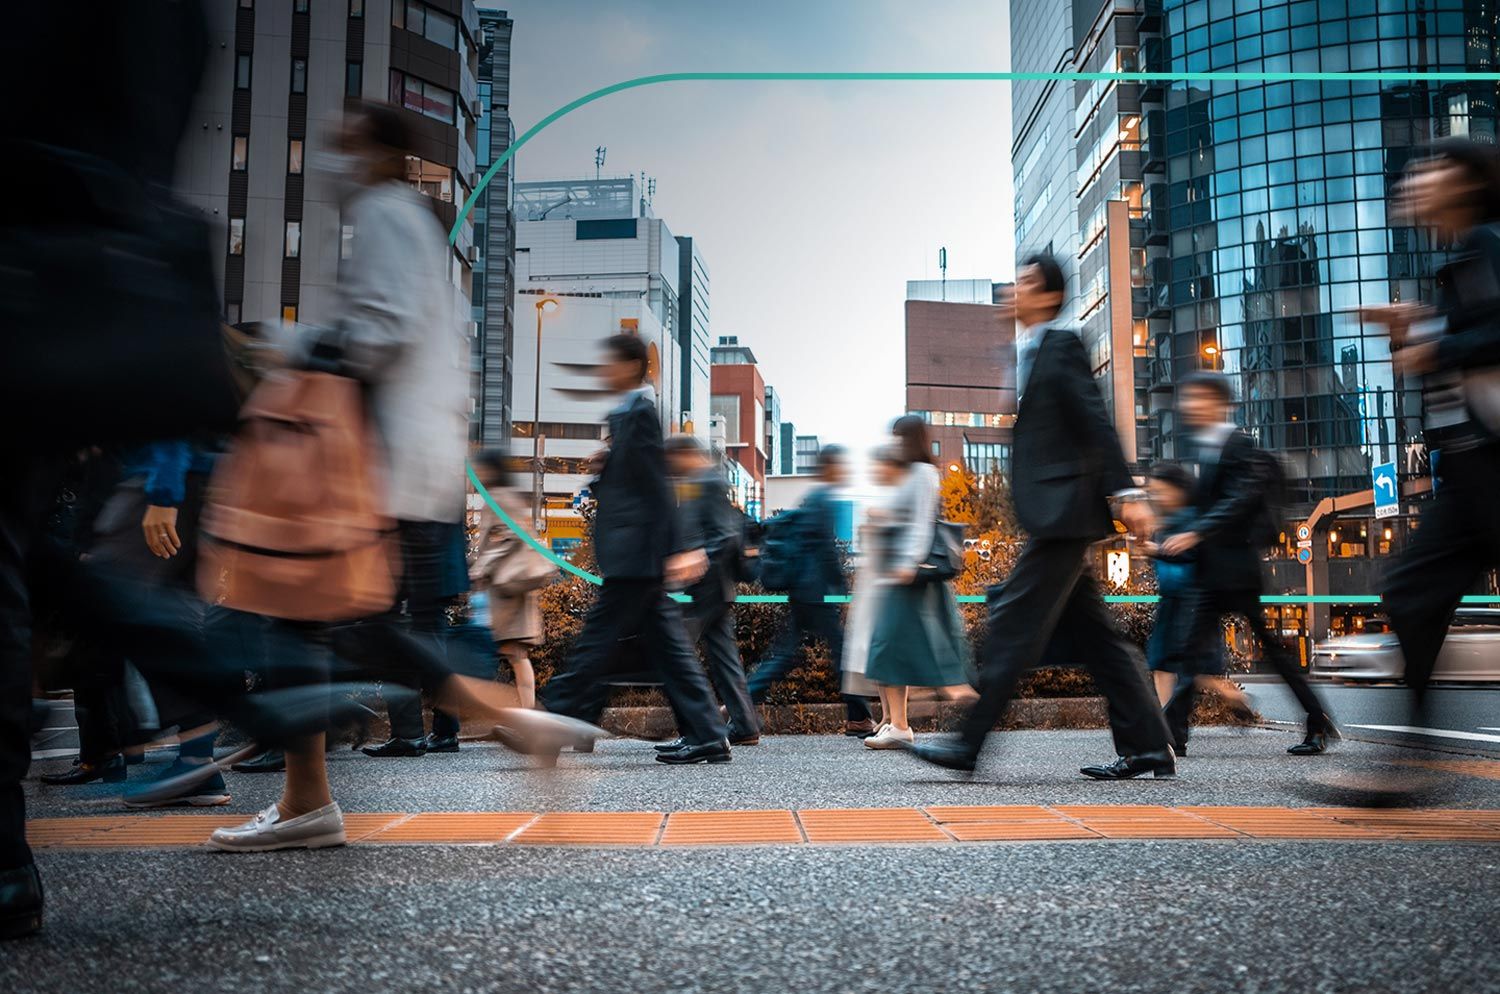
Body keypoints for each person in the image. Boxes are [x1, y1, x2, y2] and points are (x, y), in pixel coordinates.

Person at [206, 102, 593, 851]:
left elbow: (379, 332)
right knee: (343, 625)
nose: (334, 161)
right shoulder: (414, 226)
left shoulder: (386, 216)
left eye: (346, 145)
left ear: (380, 153)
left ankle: (313, 801)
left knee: (305, 617)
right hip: (405, 462)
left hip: (368, 465)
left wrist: (284, 349)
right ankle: (316, 796)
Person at [904, 253, 1175, 779]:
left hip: (1065, 516)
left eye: (1026, 282)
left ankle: (968, 745)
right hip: (1057, 516)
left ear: (1049, 296)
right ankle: (1148, 748)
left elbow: (1095, 420)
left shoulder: (1061, 345)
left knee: (1011, 629)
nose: (1015, 289)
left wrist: (1124, 490)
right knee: (1101, 643)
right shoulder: (1026, 353)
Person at [1361, 139, 1500, 799]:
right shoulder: (1461, 263)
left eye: (1428, 171)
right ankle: (1412, 765)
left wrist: (1433, 342)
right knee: (1410, 593)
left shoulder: (1489, 245)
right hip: (1466, 475)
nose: (1412, 183)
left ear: (1467, 180)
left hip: (1493, 465)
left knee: (1412, 593)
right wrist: (1417, 333)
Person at [538, 334, 732, 765]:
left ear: (629, 366)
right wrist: (607, 467)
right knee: (669, 651)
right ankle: (707, 734)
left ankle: (549, 722)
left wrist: (680, 547)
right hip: (636, 555)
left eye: (608, 363)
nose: (603, 372)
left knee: (595, 643)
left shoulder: (640, 413)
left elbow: (656, 485)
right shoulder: (628, 415)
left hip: (636, 555)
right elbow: (639, 479)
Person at [1159, 371, 1332, 756]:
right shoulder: (1208, 448)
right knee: (1189, 654)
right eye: (1188, 399)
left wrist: (1197, 532)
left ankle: (1317, 720)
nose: (1190, 405)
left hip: (1237, 571)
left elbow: (1239, 501)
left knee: (1271, 651)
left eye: (1198, 397)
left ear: (1220, 403)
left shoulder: (1240, 445)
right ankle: (1174, 734)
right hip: (1213, 572)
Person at [853, 424, 971, 750]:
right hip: (897, 573)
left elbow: (921, 522)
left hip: (906, 573)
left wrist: (911, 562)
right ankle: (895, 722)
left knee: (888, 645)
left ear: (908, 439)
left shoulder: (921, 473)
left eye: (897, 436)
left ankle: (902, 723)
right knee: (889, 646)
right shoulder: (914, 473)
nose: (893, 442)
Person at [746, 446, 876, 736]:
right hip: (815, 593)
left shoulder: (813, 498)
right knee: (841, 654)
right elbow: (826, 551)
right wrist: (841, 587)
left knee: (785, 655)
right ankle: (859, 719)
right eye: (841, 466)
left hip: (802, 590)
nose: (845, 471)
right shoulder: (824, 500)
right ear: (831, 467)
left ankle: (740, 702)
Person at [1142, 462, 1253, 756]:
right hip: (1169, 603)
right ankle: (1170, 734)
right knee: (1162, 664)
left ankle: (1228, 696)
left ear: (1179, 490)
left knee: (1191, 668)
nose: (1157, 498)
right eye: (1153, 493)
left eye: (1161, 492)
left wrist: (1161, 550)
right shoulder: (1162, 526)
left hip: (1193, 603)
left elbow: (1195, 557)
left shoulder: (1194, 519)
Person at [657, 434, 760, 748]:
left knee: (677, 657)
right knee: (724, 659)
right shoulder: (699, 480)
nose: (671, 466)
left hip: (706, 586)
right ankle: (743, 725)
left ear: (687, 454)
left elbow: (725, 535)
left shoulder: (707, 481)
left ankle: (698, 731)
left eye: (673, 459)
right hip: (713, 587)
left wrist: (697, 560)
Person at [470, 450, 542, 711]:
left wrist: (481, 567)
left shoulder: (499, 497)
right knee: (514, 654)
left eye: (480, 469)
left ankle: (528, 715)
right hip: (511, 586)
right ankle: (528, 713)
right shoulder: (507, 496)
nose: (476, 474)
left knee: (514, 654)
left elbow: (509, 537)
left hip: (507, 588)